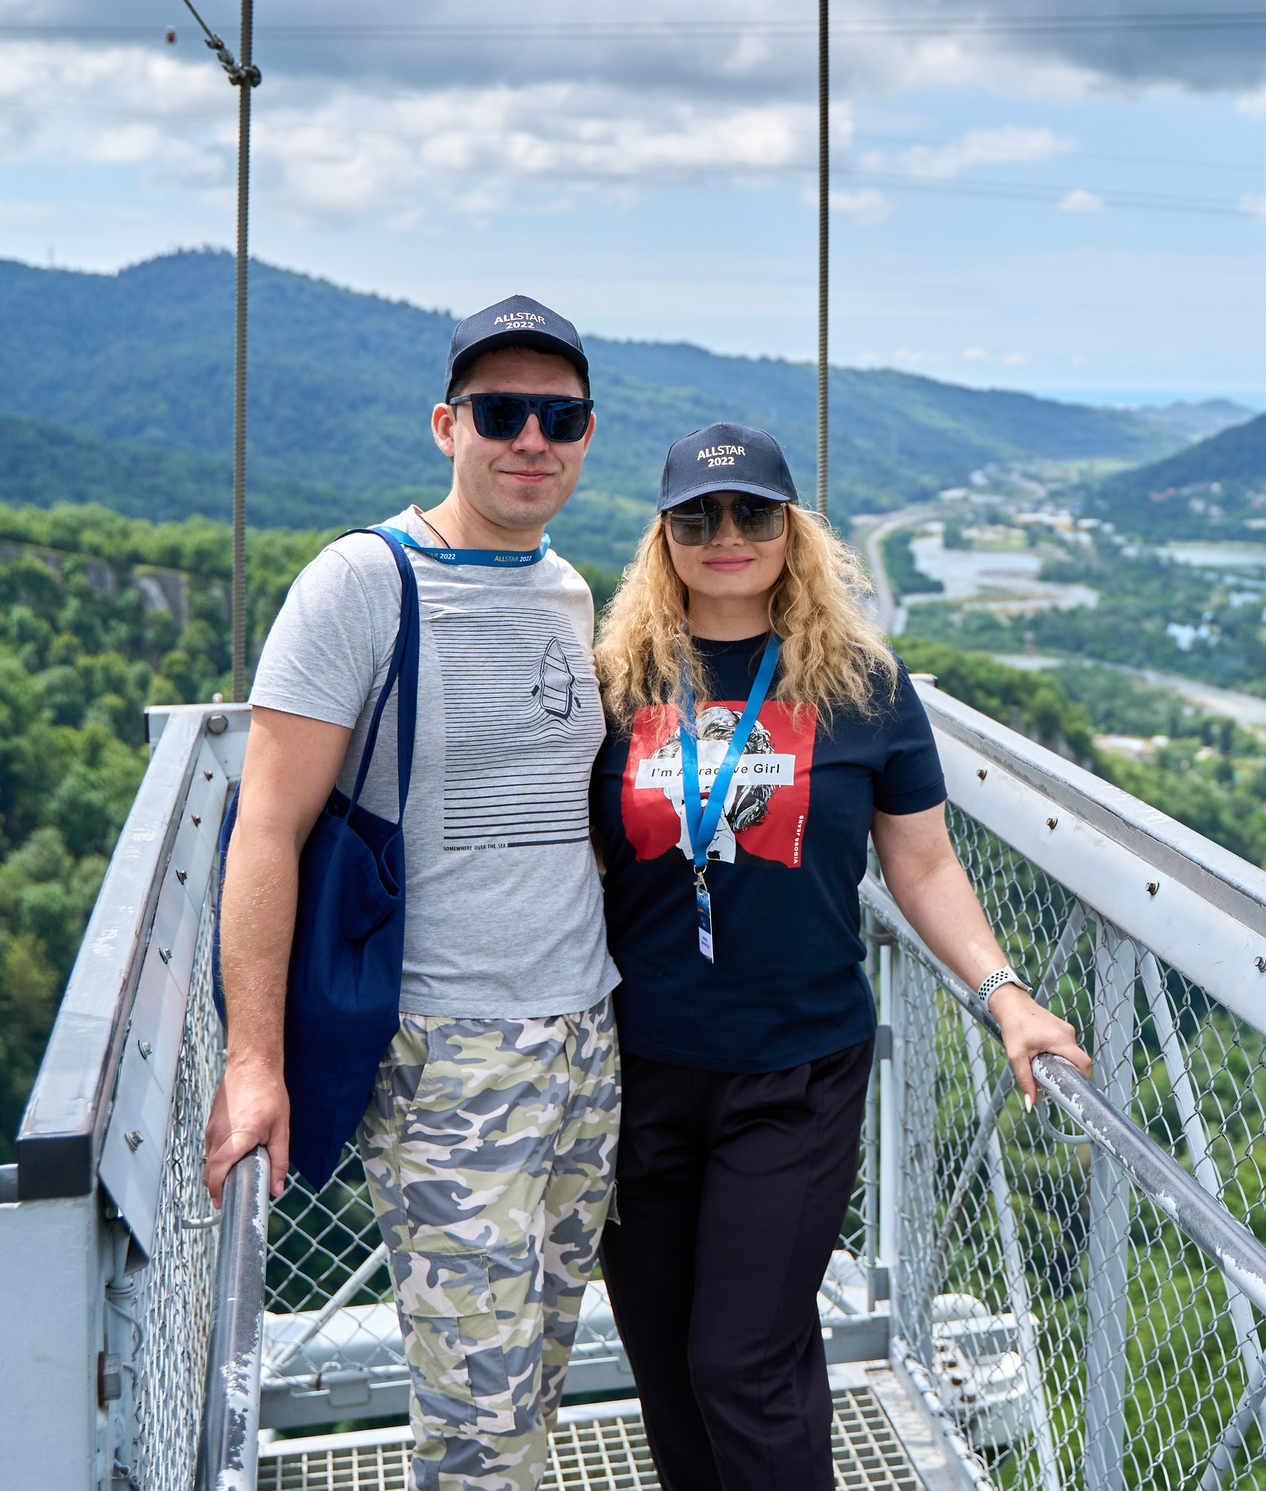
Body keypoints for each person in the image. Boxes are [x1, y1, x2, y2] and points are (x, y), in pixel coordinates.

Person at [589, 422, 1089, 1491]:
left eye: (753, 515)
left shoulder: (862, 685)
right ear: (663, 535)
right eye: (697, 517)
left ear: (792, 533)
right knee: (669, 1365)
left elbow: (923, 866)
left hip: (795, 1072)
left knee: (743, 1359)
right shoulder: (615, 679)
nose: (727, 535)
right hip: (636, 1072)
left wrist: (1005, 996)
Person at [205, 295, 619, 1491]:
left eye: (561, 417)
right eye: (502, 413)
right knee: (479, 1431)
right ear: (447, 425)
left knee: (536, 1372)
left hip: (587, 1036)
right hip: (450, 1054)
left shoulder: (568, 593)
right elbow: (268, 831)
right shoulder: (360, 583)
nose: (530, 439)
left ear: (586, 436)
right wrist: (252, 1060)